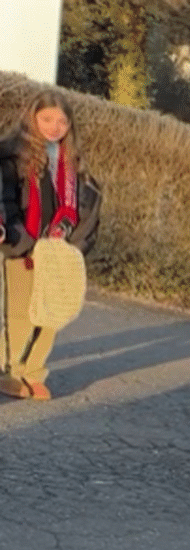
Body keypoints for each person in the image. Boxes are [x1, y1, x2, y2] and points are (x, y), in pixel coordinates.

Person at [0, 90, 102, 401]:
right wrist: (18, 235)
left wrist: (69, 235)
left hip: (57, 249)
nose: (54, 127)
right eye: (46, 119)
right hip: (24, 243)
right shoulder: (12, 156)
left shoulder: (74, 163)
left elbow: (82, 205)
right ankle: (10, 370)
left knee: (52, 310)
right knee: (20, 312)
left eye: (61, 121)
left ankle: (34, 371)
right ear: (32, 117)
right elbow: (5, 199)